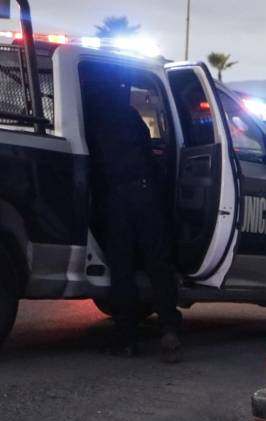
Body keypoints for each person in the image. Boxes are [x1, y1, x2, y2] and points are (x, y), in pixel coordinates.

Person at [84, 71, 181, 362]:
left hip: (117, 198)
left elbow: (94, 165)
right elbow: (149, 155)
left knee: (122, 268)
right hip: (145, 193)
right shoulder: (131, 117)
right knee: (158, 264)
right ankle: (169, 329)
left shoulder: (93, 119)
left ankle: (127, 339)